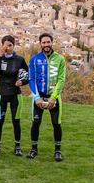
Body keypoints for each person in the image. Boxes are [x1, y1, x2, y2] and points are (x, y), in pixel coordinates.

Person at [27, 33, 66, 162]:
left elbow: (61, 79)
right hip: (39, 97)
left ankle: (58, 151)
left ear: (52, 42)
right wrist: (36, 97)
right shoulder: (34, 59)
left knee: (56, 124)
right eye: (43, 43)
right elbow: (31, 79)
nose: (46, 45)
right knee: (35, 123)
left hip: (53, 98)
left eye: (48, 42)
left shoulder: (60, 59)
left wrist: (53, 97)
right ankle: (33, 149)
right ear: (40, 44)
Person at [0, 35, 29, 156]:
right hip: (1, 94)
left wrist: (22, 82)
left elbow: (29, 75)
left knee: (16, 121)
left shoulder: (20, 59)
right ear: (2, 45)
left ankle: (17, 146)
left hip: (15, 94)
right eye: (5, 45)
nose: (7, 47)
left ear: (14, 46)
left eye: (10, 45)